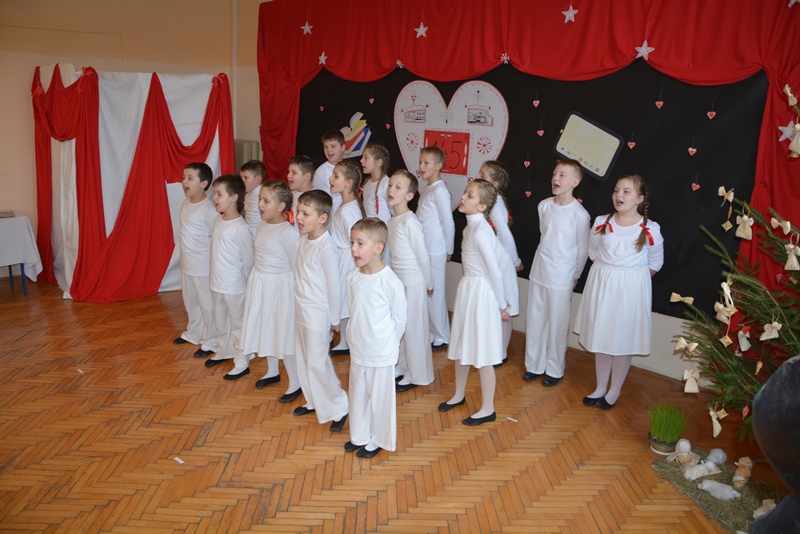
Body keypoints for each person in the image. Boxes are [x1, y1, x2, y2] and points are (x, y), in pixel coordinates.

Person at [574, 174, 664, 409]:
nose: (619, 195)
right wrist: (609, 275)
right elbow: (594, 252)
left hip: (630, 293)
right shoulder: (602, 222)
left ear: (640, 199)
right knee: (602, 336)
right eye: (616, 190)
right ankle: (600, 387)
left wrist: (632, 281)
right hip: (603, 287)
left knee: (622, 341)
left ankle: (614, 390)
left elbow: (655, 262)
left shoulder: (650, 228)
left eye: (626, 191)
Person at [439, 179, 509, 426]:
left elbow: (495, 271)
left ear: (481, 207)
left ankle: (488, 408)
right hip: (469, 289)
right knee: (461, 344)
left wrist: (501, 304)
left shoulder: (480, 232)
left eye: (470, 195)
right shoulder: (471, 227)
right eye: (465, 193)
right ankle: (459, 394)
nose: (463, 197)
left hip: (480, 293)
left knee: (483, 351)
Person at [344, 218, 407, 458]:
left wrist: (388, 344)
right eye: (352, 242)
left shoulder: (390, 281)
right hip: (358, 348)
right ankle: (359, 435)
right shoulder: (352, 277)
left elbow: (399, 319)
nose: (353, 249)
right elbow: (354, 309)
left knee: (380, 398)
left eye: (360, 243)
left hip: (381, 351)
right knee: (358, 394)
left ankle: (379, 438)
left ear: (378, 247)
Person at [524, 159, 590, 386]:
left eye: (562, 175)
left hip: (562, 276)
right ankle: (534, 365)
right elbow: (545, 235)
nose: (555, 178)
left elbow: (583, 250)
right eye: (554, 174)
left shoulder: (579, 215)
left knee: (557, 325)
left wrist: (576, 274)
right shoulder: (544, 206)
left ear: (575, 182)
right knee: (535, 319)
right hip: (540, 271)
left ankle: (554, 368)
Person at [236, 181, 302, 402]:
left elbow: (297, 266)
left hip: (280, 287)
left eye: (266, 201)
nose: (260, 205)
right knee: (266, 327)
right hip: (261, 284)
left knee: (283, 332)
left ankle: (295, 382)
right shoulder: (262, 226)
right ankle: (272, 371)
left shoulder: (287, 233)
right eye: (259, 200)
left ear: (281, 206)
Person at [292, 190, 349, 431]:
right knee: (304, 359)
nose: (298, 217)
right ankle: (314, 400)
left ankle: (340, 406)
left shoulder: (326, 247)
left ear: (322, 218)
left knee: (317, 363)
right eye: (298, 211)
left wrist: (334, 318)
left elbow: (334, 287)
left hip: (317, 314)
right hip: (301, 309)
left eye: (305, 213)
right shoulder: (302, 240)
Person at [386, 170, 435, 391]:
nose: (391, 190)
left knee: (414, 328)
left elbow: (423, 256)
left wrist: (429, 283)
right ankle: (402, 366)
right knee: (401, 325)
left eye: (398, 187)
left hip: (413, 282)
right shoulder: (392, 220)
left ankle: (417, 374)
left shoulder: (410, 221)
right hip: (399, 281)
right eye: (390, 185)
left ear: (409, 196)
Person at [204, 175, 255, 374]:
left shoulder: (241, 228)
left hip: (234, 286)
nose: (214, 198)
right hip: (216, 282)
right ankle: (224, 350)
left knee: (238, 324)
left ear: (234, 197)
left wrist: (247, 284)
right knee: (220, 319)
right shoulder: (218, 221)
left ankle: (242, 360)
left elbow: (248, 260)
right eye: (214, 194)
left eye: (219, 194)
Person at [477, 161, 521, 367]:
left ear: (495, 183)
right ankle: (493, 348)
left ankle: (501, 352)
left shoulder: (495, 205)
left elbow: (506, 236)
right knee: (494, 307)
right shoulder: (491, 202)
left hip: (501, 261)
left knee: (504, 308)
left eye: (483, 175)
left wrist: (515, 261)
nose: (478, 177)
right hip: (493, 260)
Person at [173, 162, 218, 359]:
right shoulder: (185, 204)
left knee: (207, 306)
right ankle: (193, 333)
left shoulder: (208, 209)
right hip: (187, 264)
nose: (184, 182)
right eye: (184, 177)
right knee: (191, 302)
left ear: (204, 183)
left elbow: (216, 237)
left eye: (190, 178)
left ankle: (211, 341)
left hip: (203, 267)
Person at [416, 145, 454, 351]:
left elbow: (448, 221)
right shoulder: (429, 189)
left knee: (435, 292)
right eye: (420, 162)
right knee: (427, 291)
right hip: (425, 247)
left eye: (426, 163)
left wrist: (449, 248)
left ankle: (441, 334)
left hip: (435, 249)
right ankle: (432, 331)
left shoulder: (440, 191)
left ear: (438, 166)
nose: (421, 166)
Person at [328, 160, 364, 356]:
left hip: (348, 259)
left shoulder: (348, 210)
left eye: (336, 176)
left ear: (348, 183)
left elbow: (357, 238)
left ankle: (349, 341)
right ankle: (344, 340)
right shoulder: (344, 206)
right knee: (343, 300)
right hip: (343, 257)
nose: (330, 179)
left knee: (346, 299)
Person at [313, 130, 345, 218]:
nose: (329, 150)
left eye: (333, 146)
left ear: (342, 147)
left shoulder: (348, 168)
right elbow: (317, 200)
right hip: (330, 220)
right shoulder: (321, 172)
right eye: (325, 147)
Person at [360, 144, 392, 223]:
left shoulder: (386, 184)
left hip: (381, 227)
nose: (361, 160)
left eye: (366, 158)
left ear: (378, 162)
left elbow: (393, 210)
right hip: (367, 226)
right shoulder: (367, 181)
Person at [240, 159, 266, 235]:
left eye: (245, 177)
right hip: (248, 232)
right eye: (241, 177)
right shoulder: (247, 195)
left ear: (258, 179)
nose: (242, 181)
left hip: (260, 233)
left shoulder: (264, 195)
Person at [286, 155, 316, 219]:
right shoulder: (288, 195)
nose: (288, 175)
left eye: (294, 172)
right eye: (289, 172)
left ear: (307, 176)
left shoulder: (316, 199)